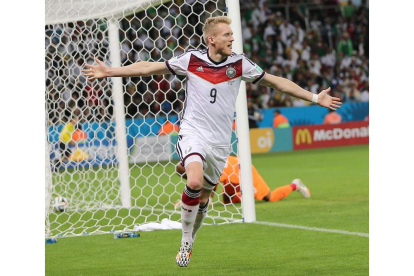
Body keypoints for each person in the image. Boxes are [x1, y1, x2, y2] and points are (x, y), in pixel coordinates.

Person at [82, 16, 341, 267]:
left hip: (220, 144)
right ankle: (184, 240)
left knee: (204, 197)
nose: (232, 38)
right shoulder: (191, 60)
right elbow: (149, 66)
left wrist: (315, 98)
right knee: (193, 181)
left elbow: (277, 83)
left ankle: (191, 235)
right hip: (194, 132)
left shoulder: (240, 65)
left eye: (232, 34)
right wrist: (110, 71)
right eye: (227, 35)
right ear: (212, 40)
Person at [175, 155, 310, 205]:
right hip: (230, 178)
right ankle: (242, 194)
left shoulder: (204, 165)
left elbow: (211, 188)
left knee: (271, 197)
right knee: (227, 201)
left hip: (245, 171)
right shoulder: (200, 163)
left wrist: (188, 202)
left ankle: (295, 185)